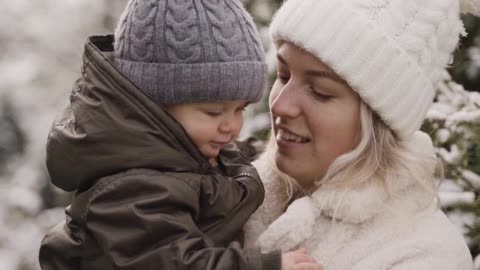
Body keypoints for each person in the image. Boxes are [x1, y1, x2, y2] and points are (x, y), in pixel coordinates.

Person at [38, 0, 323, 269]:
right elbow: (172, 262)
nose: (232, 126)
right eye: (214, 112)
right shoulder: (130, 187)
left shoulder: (182, 147)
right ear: (154, 103)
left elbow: (231, 160)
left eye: (241, 109)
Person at [244, 0, 477, 269]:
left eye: (320, 91)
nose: (279, 105)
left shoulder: (425, 256)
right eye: (284, 75)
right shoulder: (225, 191)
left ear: (378, 121)